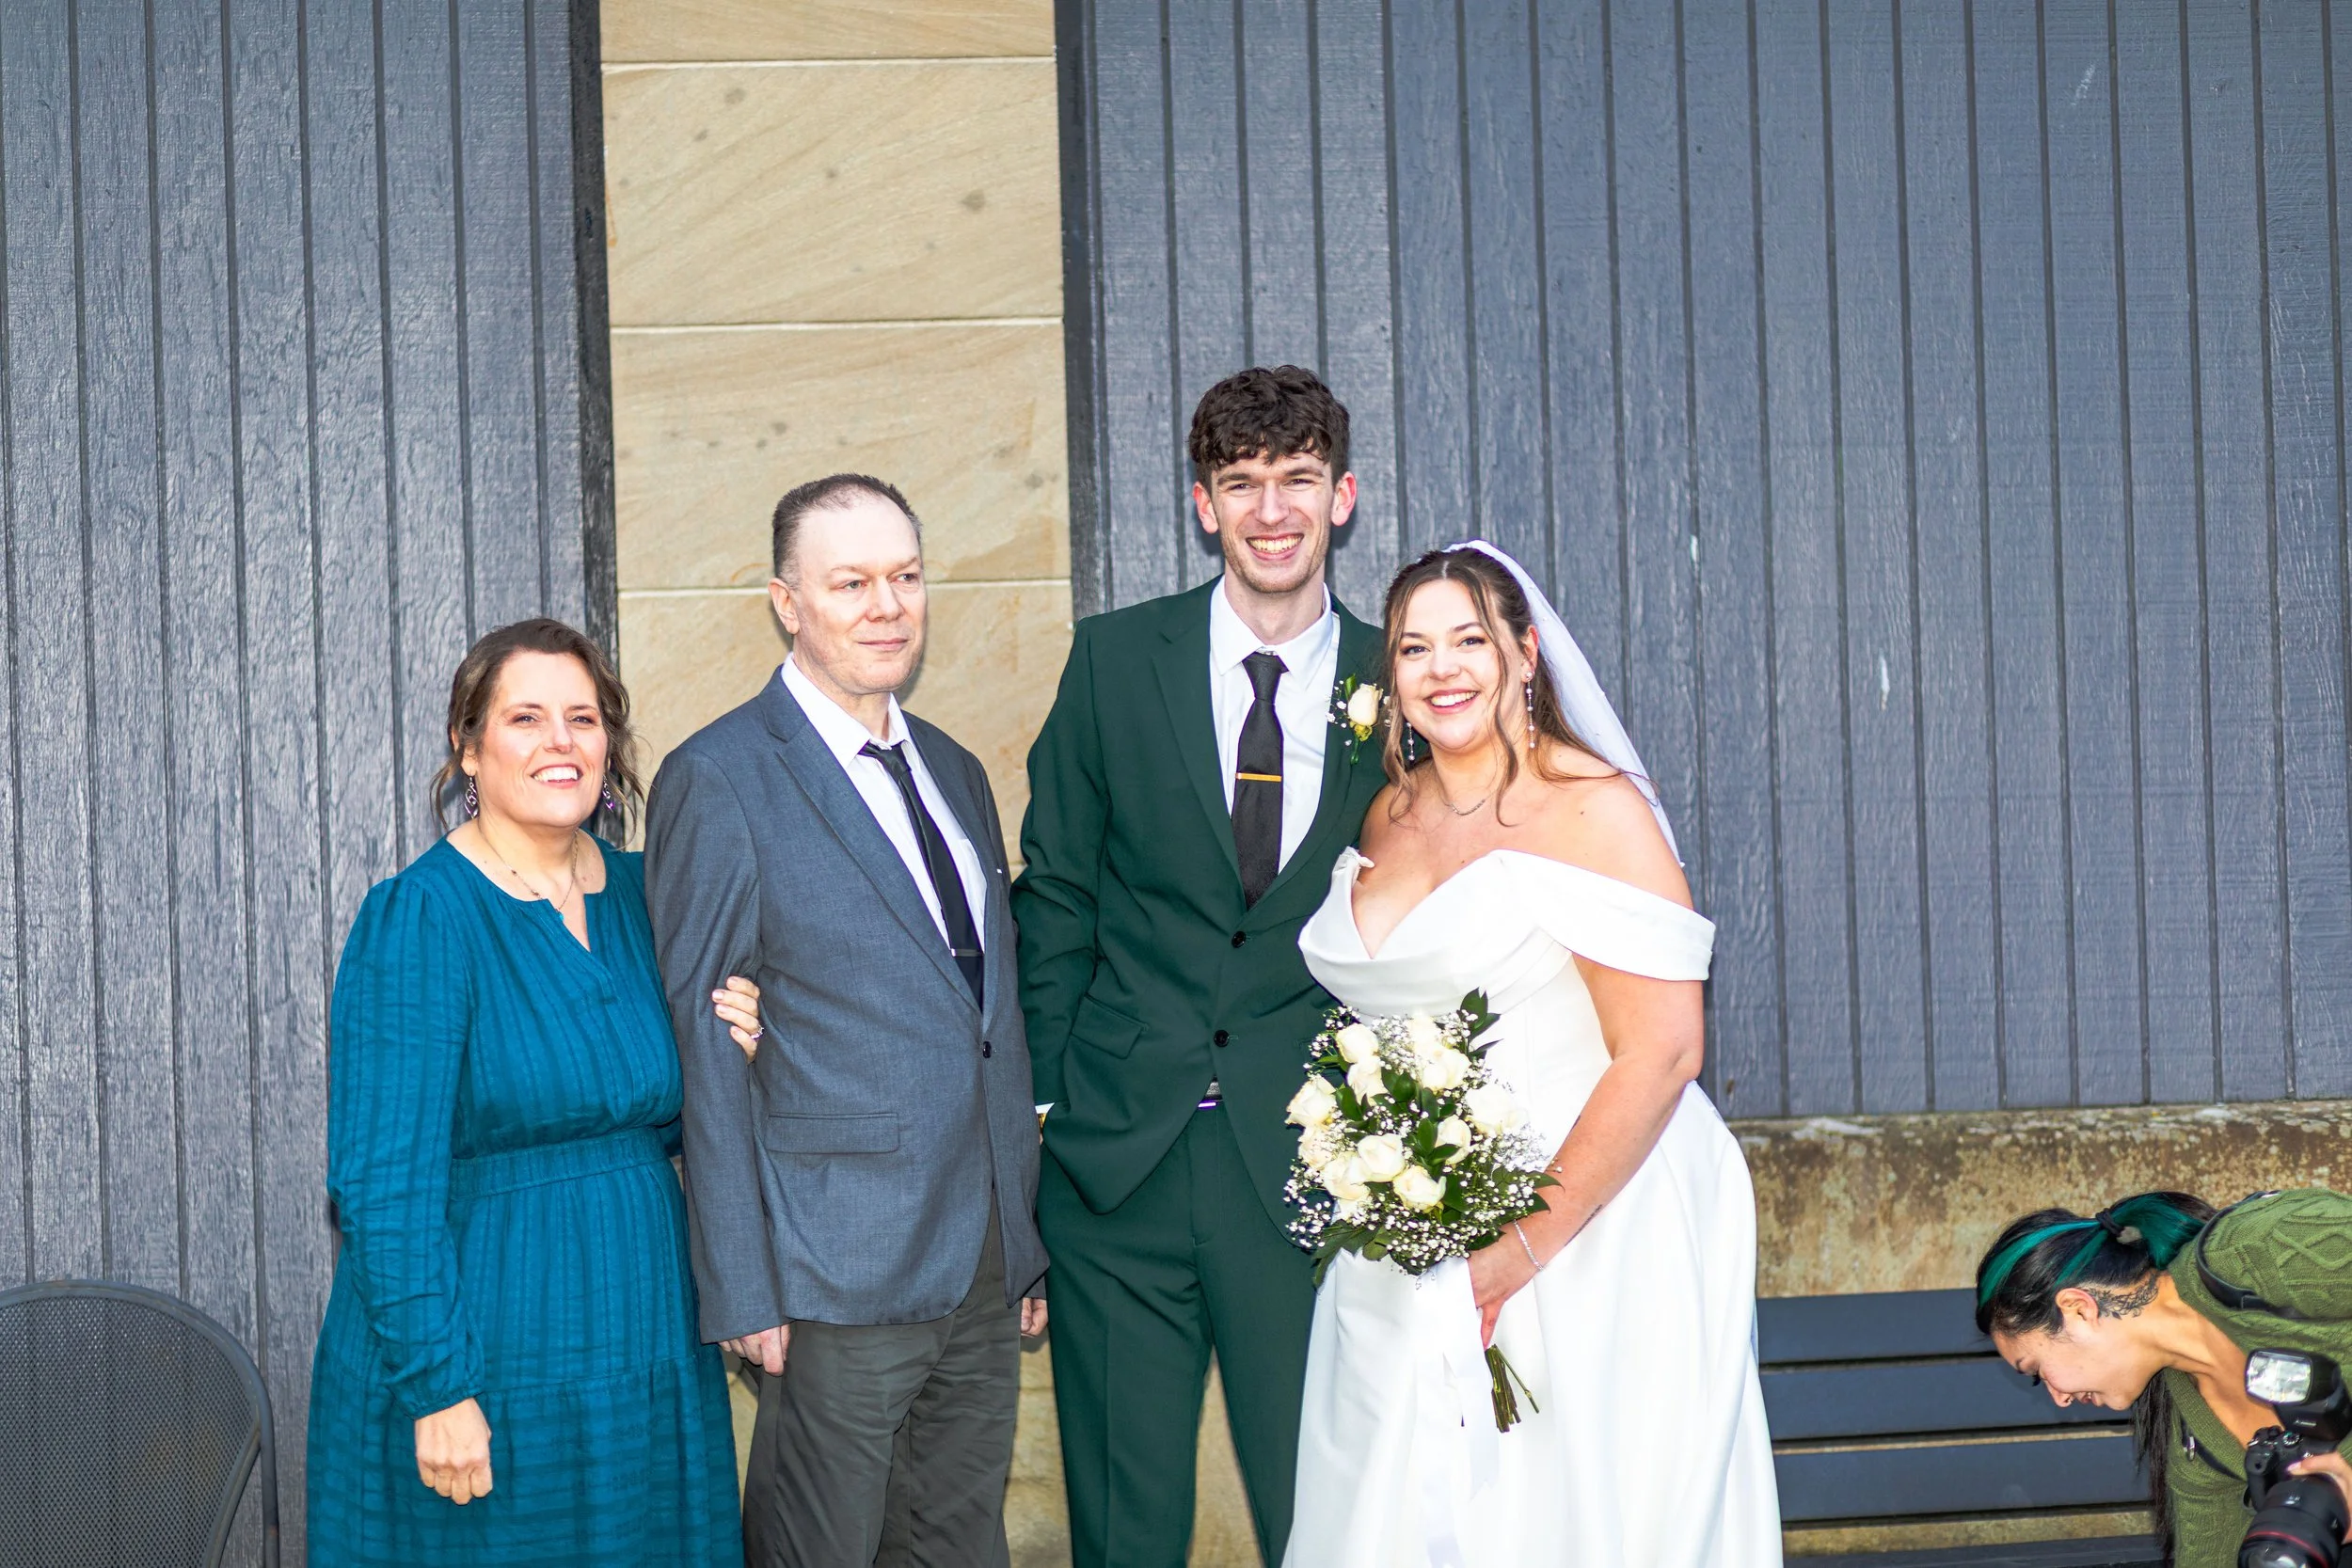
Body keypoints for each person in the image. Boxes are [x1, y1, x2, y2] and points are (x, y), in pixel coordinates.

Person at [1286, 544, 1782, 1566]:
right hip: (1411, 1223)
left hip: (1592, 1221)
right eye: (1414, 646)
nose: (1441, 667)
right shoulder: (1393, 810)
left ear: (1525, 650)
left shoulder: (1592, 807)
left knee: (1563, 1512)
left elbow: (1662, 1048)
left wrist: (1511, 1253)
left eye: (1468, 637)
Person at [1014, 366, 1391, 1565]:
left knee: (1320, 1514)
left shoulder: (1411, 682)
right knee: (1123, 1527)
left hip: (1313, 1167)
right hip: (1118, 1163)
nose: (1269, 510)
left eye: (1295, 480)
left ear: (1342, 496)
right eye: (1241, 484)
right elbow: (1058, 890)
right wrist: (1046, 1113)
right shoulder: (1114, 661)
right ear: (1201, 502)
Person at [644, 472, 1048, 1568]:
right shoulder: (719, 776)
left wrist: (1022, 1241)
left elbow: (982, 1020)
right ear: (788, 601)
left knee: (959, 1543)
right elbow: (706, 1044)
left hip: (977, 1259)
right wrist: (741, 1280)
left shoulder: (957, 771)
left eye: (906, 577)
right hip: (830, 1267)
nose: (887, 605)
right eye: (853, 581)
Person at [307, 618, 755, 1565]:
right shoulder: (421, 917)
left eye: (583, 717)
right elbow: (382, 1189)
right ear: (469, 745)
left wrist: (735, 1040)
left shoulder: (650, 897)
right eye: (526, 717)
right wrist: (436, 1385)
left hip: (645, 1342)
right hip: (489, 1357)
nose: (561, 740)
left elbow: (671, 1106)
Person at [1978, 1188, 2352, 1566]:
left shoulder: (2262, 1245)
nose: (2059, 1398)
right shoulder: (2190, 1432)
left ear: (2077, 1310)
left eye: (2037, 1372)